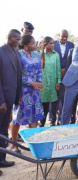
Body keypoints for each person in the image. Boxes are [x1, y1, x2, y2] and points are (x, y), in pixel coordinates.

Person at [10, 35, 44, 153]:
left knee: (34, 117)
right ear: (26, 46)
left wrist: (38, 82)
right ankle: (14, 145)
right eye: (33, 44)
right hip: (23, 92)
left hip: (35, 92)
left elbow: (40, 69)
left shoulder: (36, 54)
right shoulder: (18, 55)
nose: (35, 45)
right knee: (17, 118)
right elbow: (18, 74)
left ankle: (32, 143)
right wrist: (31, 83)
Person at [0, 29, 22, 169]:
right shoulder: (1, 52)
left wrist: (18, 96)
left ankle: (1, 160)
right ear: (9, 38)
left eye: (19, 40)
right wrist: (1, 100)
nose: (18, 42)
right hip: (2, 101)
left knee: (3, 131)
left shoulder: (16, 53)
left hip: (10, 100)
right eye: (16, 39)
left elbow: (18, 76)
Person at [49, 29, 74, 126]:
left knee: (64, 98)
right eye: (62, 36)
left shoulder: (71, 45)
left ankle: (61, 118)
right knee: (53, 98)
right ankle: (52, 119)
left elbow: (72, 60)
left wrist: (65, 70)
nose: (64, 38)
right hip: (54, 74)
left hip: (66, 75)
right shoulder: (53, 44)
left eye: (66, 37)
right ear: (59, 35)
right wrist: (58, 70)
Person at [39, 36, 61, 127]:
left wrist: (59, 81)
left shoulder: (55, 55)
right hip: (42, 84)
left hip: (53, 83)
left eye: (53, 43)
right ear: (45, 45)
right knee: (44, 104)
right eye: (50, 43)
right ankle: (42, 123)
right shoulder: (39, 54)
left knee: (53, 103)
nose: (53, 45)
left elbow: (58, 69)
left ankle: (52, 122)